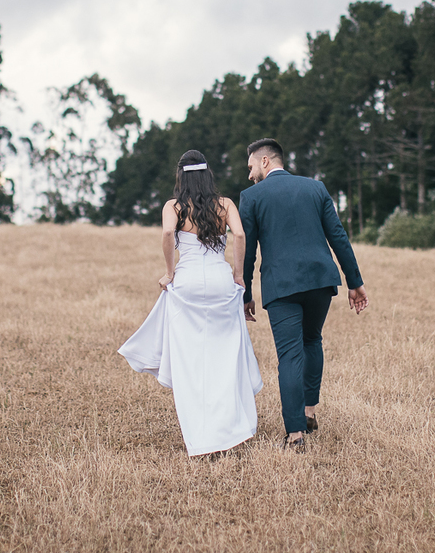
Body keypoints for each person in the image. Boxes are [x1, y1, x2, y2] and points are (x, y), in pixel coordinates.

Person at [117, 150, 263, 456]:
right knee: (225, 358)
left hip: (188, 282)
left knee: (191, 363)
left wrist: (170, 272)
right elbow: (239, 234)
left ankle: (203, 433)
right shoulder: (225, 205)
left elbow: (169, 232)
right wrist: (238, 276)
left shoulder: (174, 206)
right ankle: (232, 427)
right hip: (221, 280)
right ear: (208, 174)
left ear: (181, 176)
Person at [240, 138, 368, 449]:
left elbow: (247, 252)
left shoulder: (251, 197)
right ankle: (309, 412)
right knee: (312, 340)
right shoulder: (316, 188)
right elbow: (337, 235)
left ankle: (295, 434)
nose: (249, 174)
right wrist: (354, 281)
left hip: (281, 286)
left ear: (266, 161)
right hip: (320, 281)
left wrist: (244, 293)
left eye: (251, 166)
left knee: (289, 355)